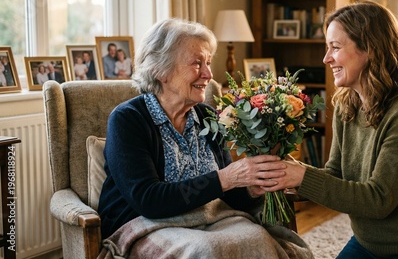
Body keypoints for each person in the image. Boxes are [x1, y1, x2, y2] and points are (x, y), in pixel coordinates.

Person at [265, 1, 398, 258]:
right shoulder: (347, 103)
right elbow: (335, 175)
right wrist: (285, 174)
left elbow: (379, 200)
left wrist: (301, 176)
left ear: (370, 48)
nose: (326, 59)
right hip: (368, 243)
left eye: (335, 48)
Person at [97, 18, 313, 258]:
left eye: (208, 63)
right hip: (146, 224)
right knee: (207, 250)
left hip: (211, 218)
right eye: (197, 63)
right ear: (160, 70)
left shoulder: (208, 117)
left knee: (258, 238)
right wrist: (226, 178)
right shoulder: (128, 119)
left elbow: (226, 193)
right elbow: (148, 200)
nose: (209, 74)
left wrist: (252, 187)